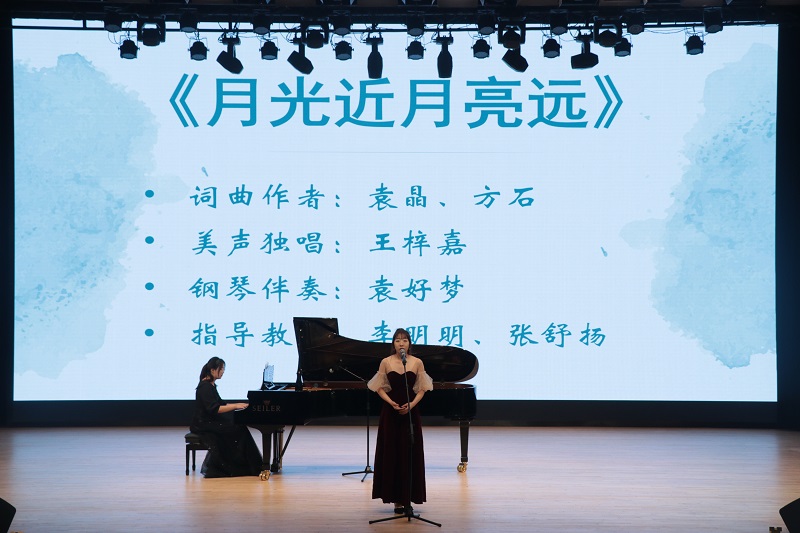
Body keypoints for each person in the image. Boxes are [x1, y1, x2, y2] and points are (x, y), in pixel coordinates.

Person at [368, 328, 434, 514]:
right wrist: (391, 403)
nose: (401, 343)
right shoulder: (386, 362)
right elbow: (379, 387)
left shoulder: (416, 362)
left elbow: (422, 388)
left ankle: (408, 498)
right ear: (393, 344)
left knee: (409, 453)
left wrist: (411, 405)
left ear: (409, 343)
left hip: (410, 412)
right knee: (392, 452)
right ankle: (395, 499)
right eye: (397, 340)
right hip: (391, 412)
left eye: (404, 340)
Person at [189, 356, 263, 477]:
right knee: (237, 429)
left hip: (209, 421)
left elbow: (221, 404)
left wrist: (239, 405)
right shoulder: (205, 387)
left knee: (239, 427)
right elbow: (215, 409)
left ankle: (244, 464)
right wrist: (235, 406)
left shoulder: (211, 385)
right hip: (203, 424)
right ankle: (239, 466)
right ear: (212, 370)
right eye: (221, 369)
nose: (223, 371)